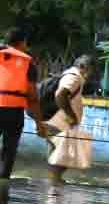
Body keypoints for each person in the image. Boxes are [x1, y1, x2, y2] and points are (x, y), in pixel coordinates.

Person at [0, 27, 46, 180]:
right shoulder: (28, 63)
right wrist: (39, 124)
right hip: (13, 112)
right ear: (22, 42)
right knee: (9, 151)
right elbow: (32, 97)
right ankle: (3, 182)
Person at [46, 55, 95, 183]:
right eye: (91, 70)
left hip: (57, 122)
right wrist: (71, 116)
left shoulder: (71, 75)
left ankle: (54, 181)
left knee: (59, 154)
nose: (91, 74)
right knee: (63, 154)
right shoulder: (74, 77)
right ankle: (54, 183)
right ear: (83, 67)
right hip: (59, 122)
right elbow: (60, 95)